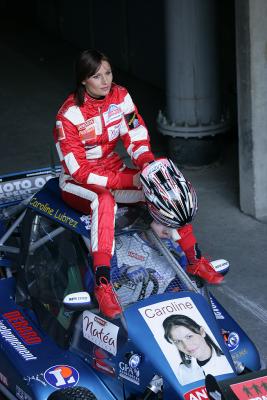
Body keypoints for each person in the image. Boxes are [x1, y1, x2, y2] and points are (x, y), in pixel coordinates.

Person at [53, 49, 223, 319]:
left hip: (114, 169)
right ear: (84, 80)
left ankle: (194, 260)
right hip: (77, 184)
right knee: (104, 200)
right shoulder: (68, 115)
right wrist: (128, 179)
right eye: (97, 76)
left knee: (166, 191)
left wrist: (146, 165)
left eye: (108, 73)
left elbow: (135, 133)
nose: (105, 81)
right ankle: (103, 284)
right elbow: (79, 170)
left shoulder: (120, 96)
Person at [163, 314, 233, 385]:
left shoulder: (229, 359)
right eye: (177, 341)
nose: (187, 346)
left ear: (202, 332)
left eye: (189, 336)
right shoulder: (183, 370)